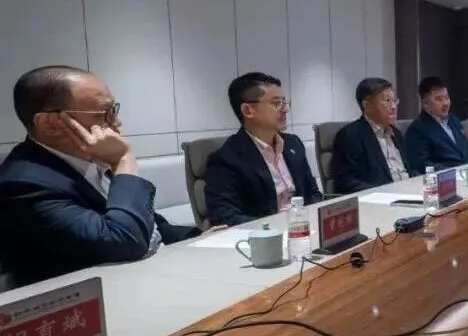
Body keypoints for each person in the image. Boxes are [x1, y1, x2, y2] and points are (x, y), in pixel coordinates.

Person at [0, 66, 201, 287]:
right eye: (104, 113)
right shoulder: (22, 185)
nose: (117, 123)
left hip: (152, 274)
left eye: (114, 110)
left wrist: (199, 237)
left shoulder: (88, 158)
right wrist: (123, 159)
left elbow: (147, 221)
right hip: (102, 294)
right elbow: (125, 243)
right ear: (50, 125)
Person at [204, 72, 322, 227]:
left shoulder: (293, 144)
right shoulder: (226, 160)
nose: (285, 109)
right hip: (267, 235)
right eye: (276, 103)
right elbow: (224, 215)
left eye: (284, 102)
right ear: (248, 110)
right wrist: (276, 228)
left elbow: (313, 193)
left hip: (305, 229)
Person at [332, 78, 418, 193]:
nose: (393, 107)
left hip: (410, 194)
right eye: (387, 101)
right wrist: (385, 193)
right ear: (367, 105)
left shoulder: (396, 134)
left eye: (395, 100)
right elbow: (346, 182)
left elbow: (409, 170)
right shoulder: (350, 136)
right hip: (381, 199)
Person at [404, 76, 468, 171]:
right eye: (439, 99)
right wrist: (451, 172)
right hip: (446, 176)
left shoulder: (454, 120)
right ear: (425, 103)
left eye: (447, 97)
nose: (445, 103)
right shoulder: (417, 129)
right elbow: (421, 164)